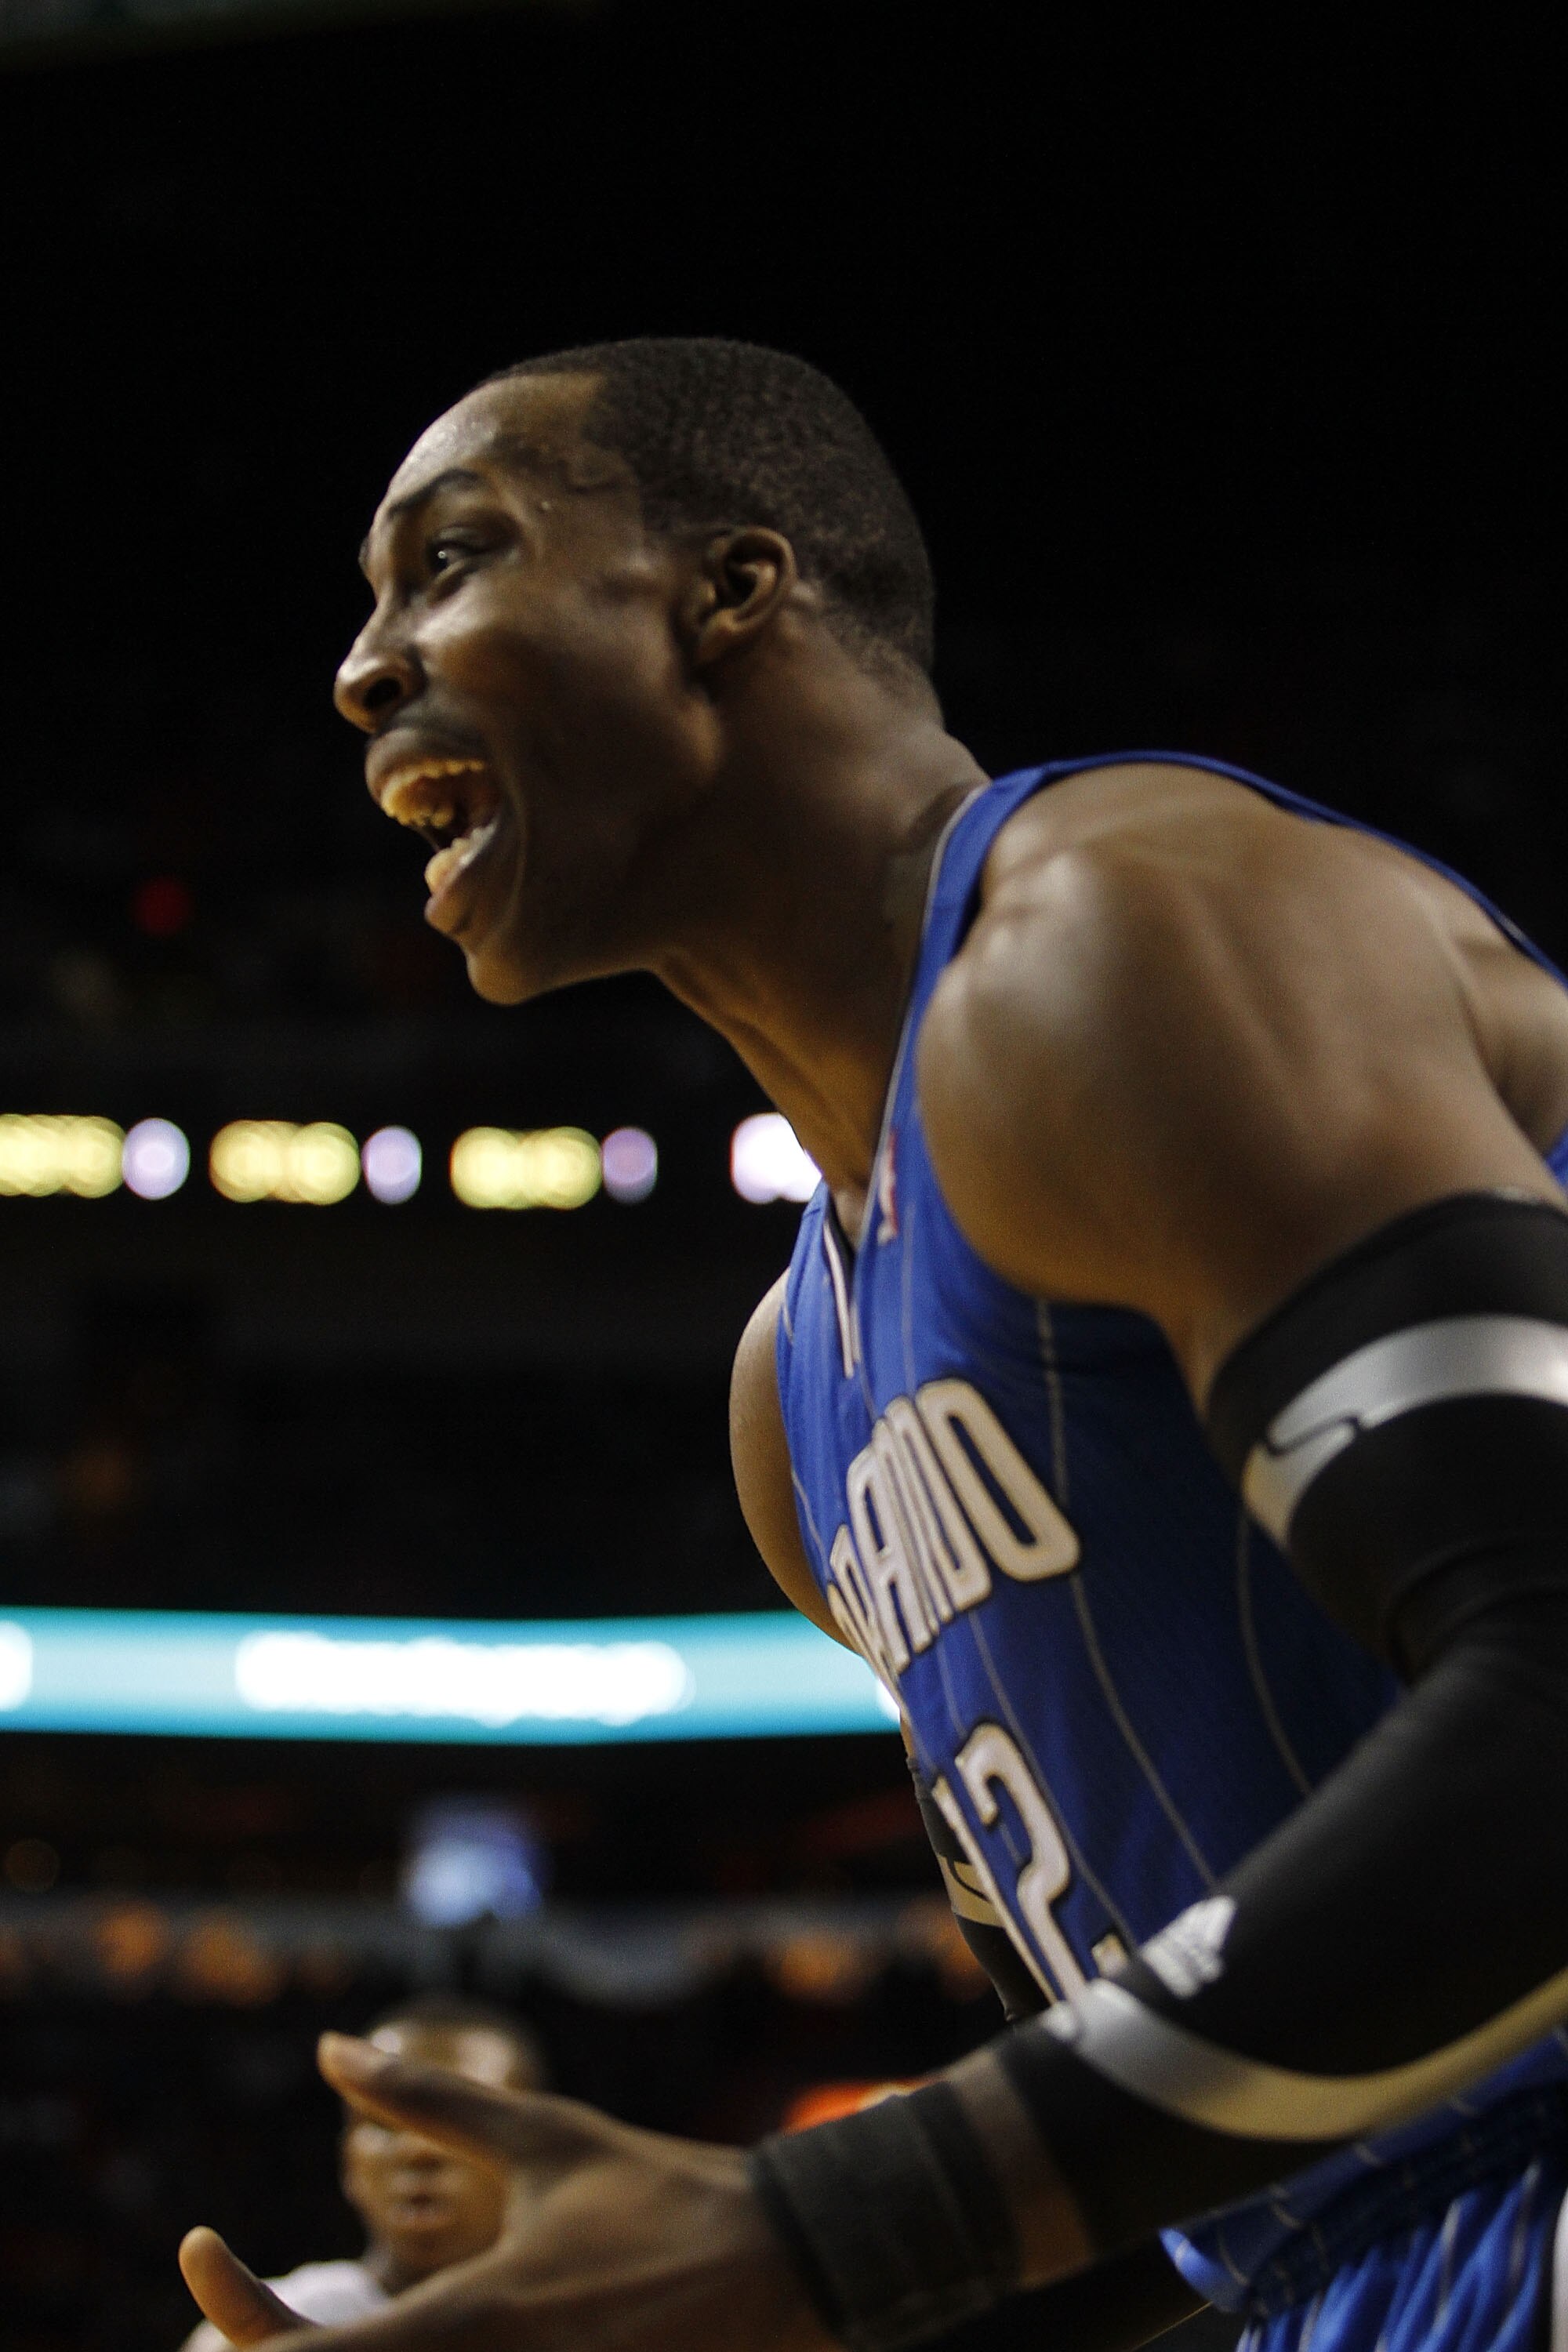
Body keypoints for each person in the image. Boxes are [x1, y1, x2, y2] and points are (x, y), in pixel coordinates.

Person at [180, 339, 1568, 2352]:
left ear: (730, 592)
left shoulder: (1116, 925)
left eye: (451, 560)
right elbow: (1233, 2188)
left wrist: (816, 2225)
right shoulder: (794, 1404)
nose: (364, 665)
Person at [180, 1995, 545, 2347]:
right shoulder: (254, 2325)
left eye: (464, 2122)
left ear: (543, 2158)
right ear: (348, 2160)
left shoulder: (586, 2325)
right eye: (384, 2122)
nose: (419, 2149)